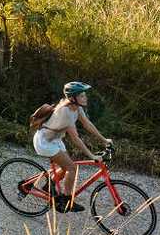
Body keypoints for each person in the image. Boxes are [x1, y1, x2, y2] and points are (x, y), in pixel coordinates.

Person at [33, 81, 112, 213]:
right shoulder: (65, 112)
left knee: (66, 167)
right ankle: (66, 200)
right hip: (44, 142)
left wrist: (104, 140)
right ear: (73, 98)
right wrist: (92, 156)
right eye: (82, 96)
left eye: (84, 95)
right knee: (72, 168)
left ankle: (49, 185)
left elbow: (87, 124)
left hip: (55, 140)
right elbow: (75, 139)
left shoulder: (77, 108)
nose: (85, 98)